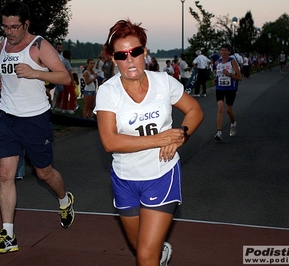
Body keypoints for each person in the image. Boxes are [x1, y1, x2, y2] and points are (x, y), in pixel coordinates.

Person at [93, 19, 203, 265]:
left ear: (145, 52)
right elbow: (109, 142)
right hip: (125, 179)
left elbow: (194, 110)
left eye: (135, 51)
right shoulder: (108, 92)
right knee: (140, 247)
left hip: (161, 174)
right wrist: (160, 138)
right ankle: (161, 252)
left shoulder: (163, 82)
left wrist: (180, 135)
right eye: (122, 54)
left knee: (144, 256)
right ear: (113, 59)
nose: (129, 59)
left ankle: (154, 255)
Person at [0, 1, 75, 255]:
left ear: (26, 24)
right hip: (7, 118)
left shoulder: (39, 46)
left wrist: (35, 73)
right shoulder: (2, 45)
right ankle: (8, 236)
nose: (9, 32)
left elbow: (65, 77)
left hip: (35, 119)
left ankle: (64, 200)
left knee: (44, 173)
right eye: (5, 26)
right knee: (5, 174)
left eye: (14, 27)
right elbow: (3, 74)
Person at [213, 43, 242, 142]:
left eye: (226, 50)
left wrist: (229, 74)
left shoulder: (232, 61)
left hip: (230, 88)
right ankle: (219, 132)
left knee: (228, 110)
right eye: (222, 50)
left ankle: (233, 123)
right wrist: (215, 80)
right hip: (219, 88)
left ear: (229, 52)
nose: (223, 52)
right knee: (220, 109)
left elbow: (239, 77)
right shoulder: (219, 62)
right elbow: (218, 74)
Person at [61, 50, 76, 114]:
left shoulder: (62, 62)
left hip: (63, 79)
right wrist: (73, 81)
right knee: (72, 94)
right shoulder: (67, 62)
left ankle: (64, 108)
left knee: (65, 94)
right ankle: (71, 108)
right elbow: (70, 73)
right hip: (68, 80)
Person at [52, 42, 64, 111]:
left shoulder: (62, 55)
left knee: (58, 90)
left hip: (62, 74)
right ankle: (56, 105)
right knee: (59, 89)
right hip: (57, 73)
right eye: (58, 48)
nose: (60, 49)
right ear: (56, 48)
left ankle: (56, 105)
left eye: (60, 48)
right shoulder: (54, 54)